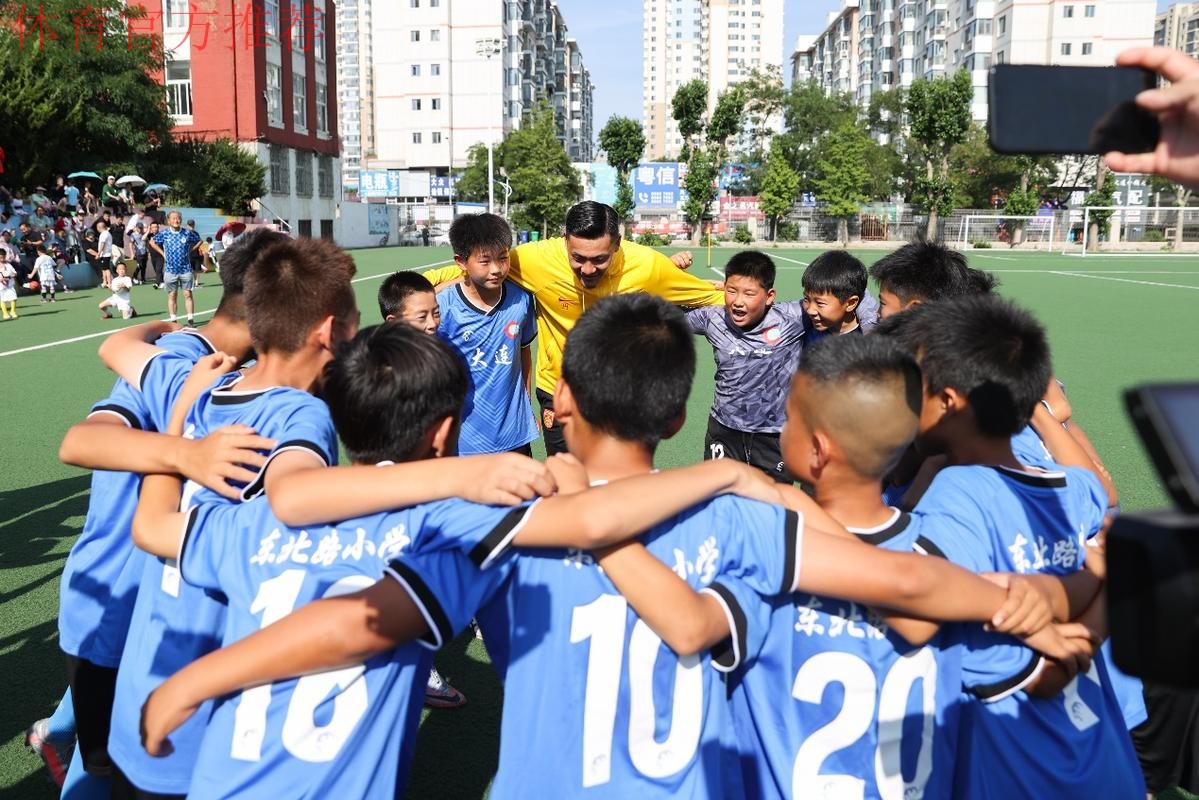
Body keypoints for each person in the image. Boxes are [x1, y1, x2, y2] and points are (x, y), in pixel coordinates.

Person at [89, 237, 358, 798]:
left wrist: (178, 415)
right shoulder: (301, 416)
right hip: (210, 720)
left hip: (143, 692)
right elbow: (295, 495)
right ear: (329, 330)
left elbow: (115, 349)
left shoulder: (194, 379)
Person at [50, 229, 290, 797]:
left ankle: (58, 729)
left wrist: (147, 328)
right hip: (117, 603)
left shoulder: (227, 367)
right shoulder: (180, 363)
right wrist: (185, 452)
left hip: (165, 607)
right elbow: (82, 440)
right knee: (111, 773)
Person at [881, 295, 1144, 798]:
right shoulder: (1075, 487)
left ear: (948, 402)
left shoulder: (958, 495)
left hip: (1025, 770)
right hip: (1105, 760)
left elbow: (910, 610)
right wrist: (1093, 588)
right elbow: (1104, 532)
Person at [423, 201, 725, 455]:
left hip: (618, 392)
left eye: (599, 259)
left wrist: (740, 297)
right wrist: (423, 291)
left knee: (614, 482)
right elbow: (474, 265)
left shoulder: (648, 266)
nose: (588, 269)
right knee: (566, 482)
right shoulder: (536, 260)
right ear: (565, 240)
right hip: (558, 392)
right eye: (578, 258)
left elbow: (711, 297)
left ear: (617, 244)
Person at [685, 251, 807, 482]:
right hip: (724, 428)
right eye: (732, 291)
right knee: (718, 495)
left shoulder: (792, 318)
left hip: (775, 434)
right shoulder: (712, 318)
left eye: (749, 293)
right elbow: (662, 309)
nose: (738, 301)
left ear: (770, 296)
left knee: (773, 499)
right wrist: (677, 275)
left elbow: (843, 297)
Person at [436, 213, 538, 456]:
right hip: (464, 438)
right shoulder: (442, 307)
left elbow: (523, 354)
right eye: (485, 261)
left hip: (515, 434)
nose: (496, 269)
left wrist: (526, 409)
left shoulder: (521, 300)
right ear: (461, 262)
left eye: (503, 258)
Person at [801, 250, 868, 342]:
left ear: (851, 303)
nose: (810, 310)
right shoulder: (804, 328)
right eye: (806, 299)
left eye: (820, 303)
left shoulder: (866, 340)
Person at [150, 210, 202, 324]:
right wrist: (163, 253)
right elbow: (152, 242)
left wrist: (190, 250)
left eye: (178, 218)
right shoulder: (164, 233)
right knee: (172, 295)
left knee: (188, 294)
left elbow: (199, 240)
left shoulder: (187, 233)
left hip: (185, 269)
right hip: (170, 270)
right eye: (173, 218)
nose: (176, 220)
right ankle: (173, 320)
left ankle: (190, 319)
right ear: (168, 221)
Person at [95, 219, 114, 290]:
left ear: (99, 227)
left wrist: (99, 253)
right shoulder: (107, 233)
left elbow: (102, 244)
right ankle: (105, 282)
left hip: (105, 254)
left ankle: (109, 283)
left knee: (106, 269)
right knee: (103, 269)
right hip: (105, 254)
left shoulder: (104, 234)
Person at [0, 248, 18, 319]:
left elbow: (14, 273)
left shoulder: (8, 265)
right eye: (0, 257)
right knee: (2, 300)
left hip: (10, 285)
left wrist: (10, 276)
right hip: (1, 287)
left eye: (3, 257)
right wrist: (1, 279)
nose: (2, 259)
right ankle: (5, 313)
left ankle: (12, 311)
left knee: (14, 298)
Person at [146, 221, 164, 287]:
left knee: (158, 269)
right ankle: (162, 282)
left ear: (158, 228)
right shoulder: (150, 235)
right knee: (156, 270)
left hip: (160, 255)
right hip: (153, 256)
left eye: (156, 227)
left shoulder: (161, 235)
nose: (154, 229)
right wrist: (148, 231)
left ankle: (157, 283)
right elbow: (143, 238)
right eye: (153, 227)